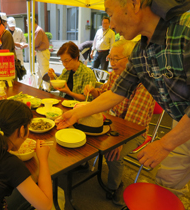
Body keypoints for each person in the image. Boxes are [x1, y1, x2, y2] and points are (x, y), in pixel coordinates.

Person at [57, 0, 190, 200]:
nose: (110, 25)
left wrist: (164, 144)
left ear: (134, 4)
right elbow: (115, 93)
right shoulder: (140, 51)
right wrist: (75, 114)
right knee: (168, 185)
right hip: (182, 123)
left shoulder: (185, 30)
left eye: (110, 14)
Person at [84, 40, 155, 205]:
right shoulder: (116, 74)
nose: (111, 62)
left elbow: (133, 122)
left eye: (116, 59)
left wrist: (118, 142)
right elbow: (103, 96)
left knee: (113, 154)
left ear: (131, 59)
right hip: (112, 122)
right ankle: (82, 166)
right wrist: (94, 91)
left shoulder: (144, 82)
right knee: (84, 132)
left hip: (134, 130)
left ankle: (115, 186)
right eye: (111, 57)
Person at [27, 18, 50, 87]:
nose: (27, 26)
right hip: (41, 52)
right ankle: (40, 87)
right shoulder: (37, 30)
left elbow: (35, 44)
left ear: (32, 23)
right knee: (39, 72)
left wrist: (27, 45)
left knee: (44, 72)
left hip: (42, 53)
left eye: (28, 24)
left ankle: (47, 89)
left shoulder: (38, 30)